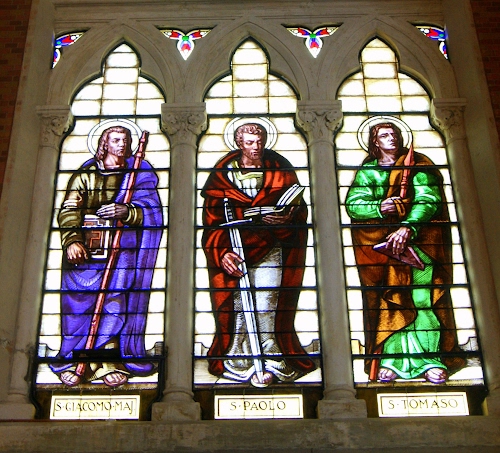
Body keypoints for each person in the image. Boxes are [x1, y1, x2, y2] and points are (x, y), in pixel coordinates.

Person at [345, 122, 465, 384]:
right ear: (375, 142)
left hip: (419, 246)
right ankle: (392, 360)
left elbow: (428, 200)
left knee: (422, 300)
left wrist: (408, 227)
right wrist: (380, 207)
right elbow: (354, 205)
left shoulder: (417, 165)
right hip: (384, 251)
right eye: (384, 135)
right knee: (391, 302)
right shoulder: (368, 171)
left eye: (395, 134)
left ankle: (430, 359)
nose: (392, 139)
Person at [201, 123, 316, 387]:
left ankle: (271, 356)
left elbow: (298, 210)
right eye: (250, 142)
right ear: (239, 143)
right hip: (234, 248)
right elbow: (210, 224)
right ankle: (239, 358)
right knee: (239, 305)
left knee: (266, 302)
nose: (256, 147)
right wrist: (221, 254)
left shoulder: (280, 170)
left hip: (271, 245)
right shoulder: (222, 176)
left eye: (260, 141)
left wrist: (286, 219)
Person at [51, 125, 163, 388]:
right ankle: (75, 360)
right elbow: (69, 209)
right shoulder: (86, 174)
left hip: (122, 250)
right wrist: (72, 240)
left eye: (125, 140)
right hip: (85, 251)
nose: (121, 144)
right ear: (104, 143)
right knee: (77, 305)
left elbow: (153, 210)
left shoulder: (140, 173)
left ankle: (109, 361)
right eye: (115, 140)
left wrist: (128, 212)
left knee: (115, 300)